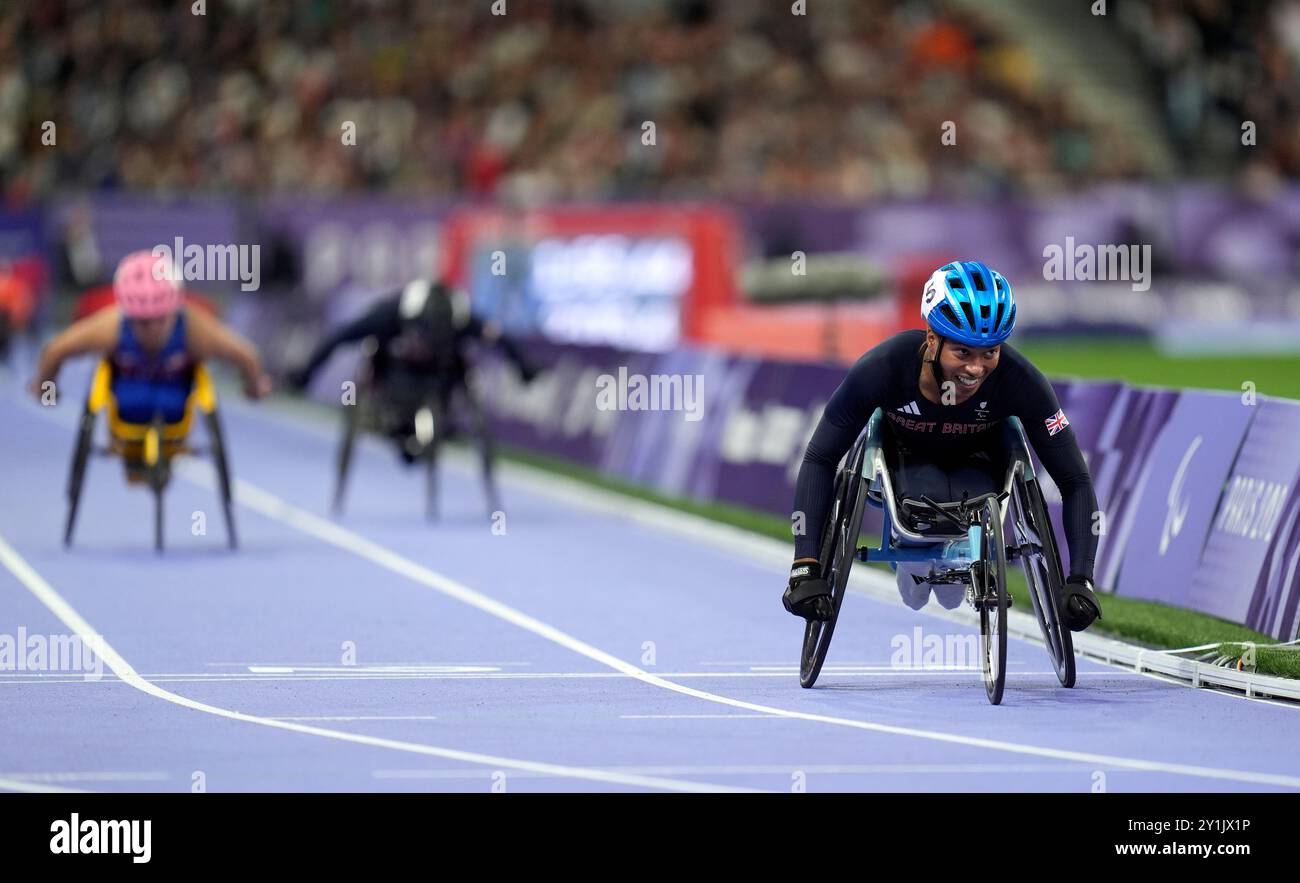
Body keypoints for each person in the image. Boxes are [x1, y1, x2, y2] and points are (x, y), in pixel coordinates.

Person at [783, 260, 1103, 631]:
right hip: (907, 463)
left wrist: (1081, 579)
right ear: (932, 340)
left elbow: (1075, 480)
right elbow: (821, 457)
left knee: (951, 590)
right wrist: (805, 565)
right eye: (963, 353)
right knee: (917, 584)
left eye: (990, 352)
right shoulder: (884, 367)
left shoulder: (1022, 381)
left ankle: (944, 564)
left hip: (980, 465)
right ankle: (915, 565)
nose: (976, 369)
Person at [30, 249, 271, 420]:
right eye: (143, 322)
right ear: (129, 314)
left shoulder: (195, 328)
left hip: (177, 392)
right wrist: (47, 391)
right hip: (126, 391)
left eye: (159, 319)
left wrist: (254, 388)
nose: (152, 329)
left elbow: (247, 356)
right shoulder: (110, 326)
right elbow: (55, 351)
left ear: (173, 310)